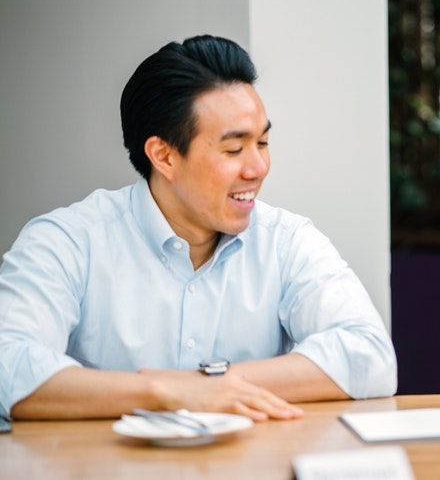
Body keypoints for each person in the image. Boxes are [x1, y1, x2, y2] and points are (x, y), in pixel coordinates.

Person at [0, 35, 397, 421]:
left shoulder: (286, 241)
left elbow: (370, 356)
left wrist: (213, 384)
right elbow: (8, 365)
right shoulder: (68, 241)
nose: (257, 168)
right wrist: (161, 393)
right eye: (233, 149)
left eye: (262, 142)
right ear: (164, 156)